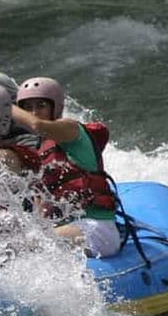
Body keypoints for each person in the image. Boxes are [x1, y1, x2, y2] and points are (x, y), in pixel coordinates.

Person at [12, 76, 120, 258]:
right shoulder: (41, 151)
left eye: (40, 106)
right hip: (69, 229)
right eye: (28, 108)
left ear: (56, 107)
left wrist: (4, 106)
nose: (33, 112)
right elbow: (42, 211)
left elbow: (37, 125)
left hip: (96, 230)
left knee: (23, 246)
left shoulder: (71, 129)